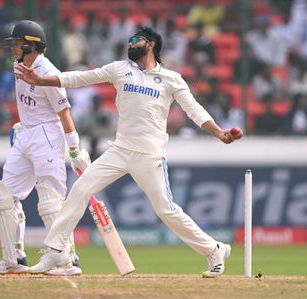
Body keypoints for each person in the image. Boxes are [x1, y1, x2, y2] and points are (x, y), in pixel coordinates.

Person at [15, 26, 240, 278]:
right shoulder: (119, 69)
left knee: (166, 210)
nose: (130, 44)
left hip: (149, 155)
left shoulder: (171, 79)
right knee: (80, 188)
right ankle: (56, 249)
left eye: (136, 40)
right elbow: (79, 78)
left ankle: (214, 249)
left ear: (151, 44)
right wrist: (40, 80)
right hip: (120, 150)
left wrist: (220, 132)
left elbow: (194, 110)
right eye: (129, 40)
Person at [0, 20, 90, 276]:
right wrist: (24, 124)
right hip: (27, 134)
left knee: (51, 200)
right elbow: (29, 103)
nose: (13, 49)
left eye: (18, 44)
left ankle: (67, 260)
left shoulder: (48, 73)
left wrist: (74, 149)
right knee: (4, 196)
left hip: (47, 136)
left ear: (31, 45)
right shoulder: (18, 67)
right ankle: (14, 259)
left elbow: (64, 113)